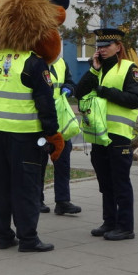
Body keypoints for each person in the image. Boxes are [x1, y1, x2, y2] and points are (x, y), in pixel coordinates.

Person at [0, 0, 66, 253]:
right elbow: (45, 104)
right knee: (25, 188)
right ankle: (28, 239)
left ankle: (3, 236)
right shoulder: (32, 62)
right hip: (26, 138)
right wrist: (53, 134)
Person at [75, 27, 138, 241]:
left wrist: (104, 92)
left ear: (118, 47)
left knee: (120, 181)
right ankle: (109, 222)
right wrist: (93, 71)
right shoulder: (97, 69)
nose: (102, 50)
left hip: (118, 135)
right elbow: (79, 93)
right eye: (99, 47)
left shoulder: (129, 69)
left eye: (107, 46)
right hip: (99, 134)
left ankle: (125, 226)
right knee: (105, 181)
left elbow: (134, 99)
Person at [39, 57, 82, 216]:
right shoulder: (34, 61)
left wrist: (68, 88)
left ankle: (62, 201)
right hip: (40, 120)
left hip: (60, 121)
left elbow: (70, 82)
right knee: (39, 162)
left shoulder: (62, 62)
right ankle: (37, 200)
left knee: (63, 162)